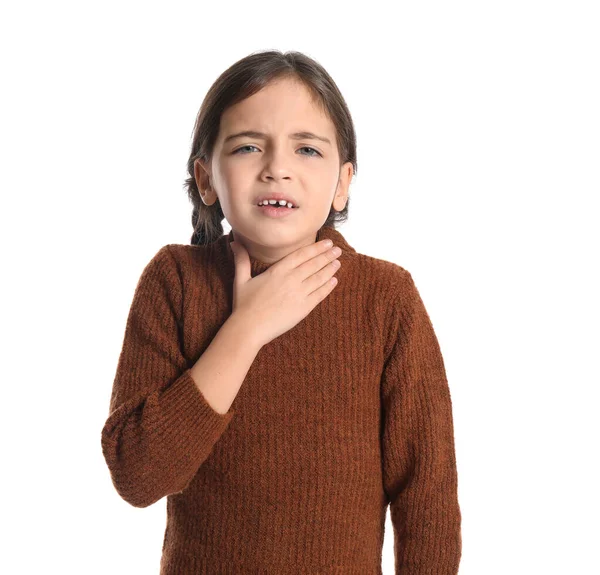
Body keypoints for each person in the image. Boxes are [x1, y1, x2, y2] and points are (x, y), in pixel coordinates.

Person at [100, 49, 462, 574]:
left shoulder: (386, 299)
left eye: (307, 150)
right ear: (206, 179)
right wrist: (246, 329)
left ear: (343, 181)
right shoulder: (175, 281)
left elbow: (426, 497)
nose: (277, 169)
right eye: (248, 146)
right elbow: (138, 475)